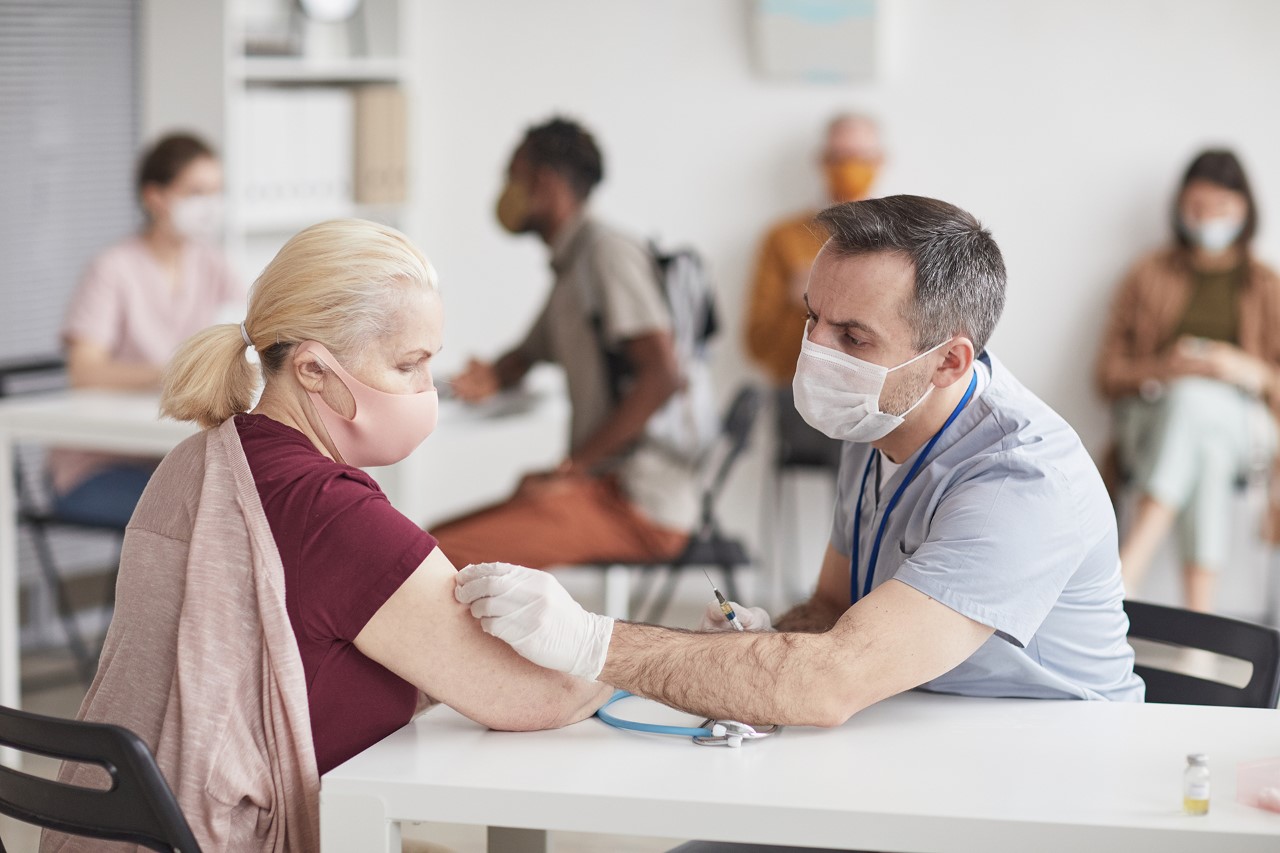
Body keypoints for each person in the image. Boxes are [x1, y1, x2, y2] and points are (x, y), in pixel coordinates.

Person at [455, 198, 1145, 833]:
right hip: (921, 744)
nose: (816, 352)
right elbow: (828, 606)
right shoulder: (879, 419)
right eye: (814, 317)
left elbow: (833, 678)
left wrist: (587, 640)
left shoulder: (1022, 482)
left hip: (1047, 792)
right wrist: (765, 637)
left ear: (949, 360)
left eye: (853, 337)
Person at [42, 220, 608, 853]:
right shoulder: (327, 509)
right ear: (314, 369)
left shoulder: (195, 461)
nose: (428, 390)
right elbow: (537, 694)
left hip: (114, 831)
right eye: (408, 365)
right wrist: (615, 650)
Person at [436, 117, 694, 568]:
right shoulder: (572, 264)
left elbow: (663, 375)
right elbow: (529, 353)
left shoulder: (605, 252)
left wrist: (571, 469)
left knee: (433, 559)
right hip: (600, 485)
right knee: (422, 544)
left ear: (541, 181)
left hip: (637, 501)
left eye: (511, 177)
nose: (505, 193)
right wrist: (494, 374)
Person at [1096, 149, 1280, 614]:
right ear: (1179, 208)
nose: (1208, 220)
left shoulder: (1266, 285)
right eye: (1197, 208)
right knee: (1204, 438)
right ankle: (1200, 635)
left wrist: (1247, 369)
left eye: (1221, 209)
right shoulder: (1148, 274)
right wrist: (1166, 368)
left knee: (1202, 407)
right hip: (1153, 423)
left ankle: (1126, 571)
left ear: (1245, 210)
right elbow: (1107, 374)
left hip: (1246, 431)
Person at [49, 132, 244, 527]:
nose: (210, 205)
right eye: (196, 192)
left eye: (216, 191)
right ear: (155, 197)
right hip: (99, 467)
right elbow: (83, 372)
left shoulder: (213, 264)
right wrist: (175, 371)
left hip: (171, 457)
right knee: (207, 516)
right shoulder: (113, 269)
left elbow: (248, 336)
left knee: (254, 499)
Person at [745, 113, 884, 470]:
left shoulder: (902, 244)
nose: (849, 168)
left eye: (861, 157)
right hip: (803, 398)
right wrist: (804, 305)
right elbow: (757, 345)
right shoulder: (784, 240)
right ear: (822, 161)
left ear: (881, 161)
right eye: (839, 157)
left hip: (880, 397)